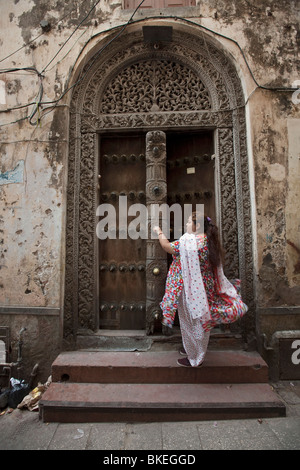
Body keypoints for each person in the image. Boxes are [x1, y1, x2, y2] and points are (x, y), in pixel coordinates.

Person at [153, 213, 248, 367]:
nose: (186, 225)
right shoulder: (207, 241)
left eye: (189, 222)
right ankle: (193, 349)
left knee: (192, 321)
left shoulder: (189, 242)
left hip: (188, 289)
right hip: (204, 289)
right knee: (200, 320)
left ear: (197, 226)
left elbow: (167, 247)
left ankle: (195, 358)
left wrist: (159, 231)